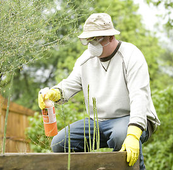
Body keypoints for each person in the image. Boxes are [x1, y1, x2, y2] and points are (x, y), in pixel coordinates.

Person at [38, 13, 160, 170]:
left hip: (131, 119)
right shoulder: (85, 59)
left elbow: (139, 96)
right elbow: (71, 84)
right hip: (97, 121)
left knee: (121, 137)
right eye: (88, 40)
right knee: (60, 144)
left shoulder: (131, 55)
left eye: (96, 39)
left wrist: (133, 133)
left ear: (110, 36)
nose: (91, 44)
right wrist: (55, 93)